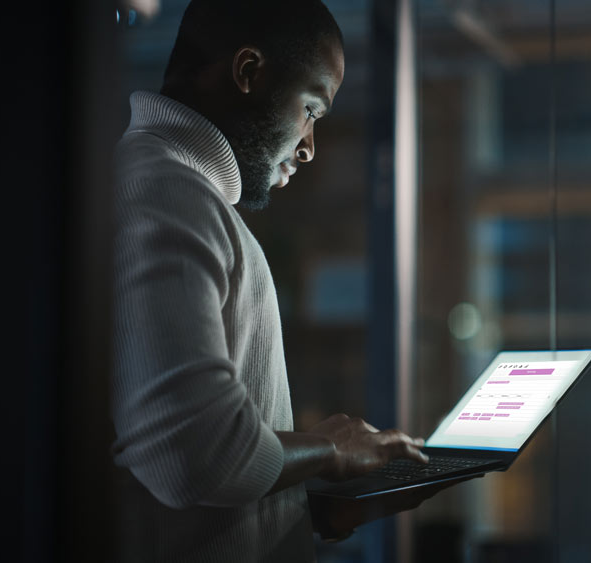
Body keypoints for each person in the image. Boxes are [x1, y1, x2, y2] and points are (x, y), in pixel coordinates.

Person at [111, 1, 438, 560]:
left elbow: (191, 474)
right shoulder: (167, 193)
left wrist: (310, 503)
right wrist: (329, 449)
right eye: (311, 108)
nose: (309, 145)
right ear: (247, 72)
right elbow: (194, 456)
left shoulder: (180, 193)